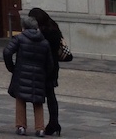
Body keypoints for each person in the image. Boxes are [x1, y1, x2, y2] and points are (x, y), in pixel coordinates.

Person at [4, 14, 53, 137]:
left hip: (21, 72)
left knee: (20, 99)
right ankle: (40, 128)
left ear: (23, 27)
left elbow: (7, 52)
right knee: (38, 102)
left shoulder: (19, 38)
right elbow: (50, 63)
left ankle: (21, 126)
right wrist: (45, 74)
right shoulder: (44, 42)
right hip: (39, 75)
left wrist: (12, 68)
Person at [28, 7, 63, 136]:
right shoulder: (54, 27)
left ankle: (42, 124)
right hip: (53, 65)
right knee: (51, 94)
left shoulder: (41, 33)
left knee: (39, 94)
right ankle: (54, 122)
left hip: (42, 65)